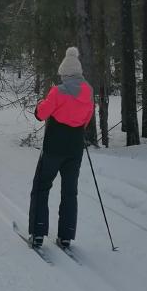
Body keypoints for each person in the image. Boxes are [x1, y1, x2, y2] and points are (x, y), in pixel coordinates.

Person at [28, 46, 94, 249]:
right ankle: (66, 236)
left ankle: (38, 233)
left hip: (54, 147)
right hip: (75, 148)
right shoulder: (88, 92)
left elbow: (41, 114)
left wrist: (40, 103)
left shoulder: (58, 91)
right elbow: (87, 119)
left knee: (41, 187)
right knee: (69, 191)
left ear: (65, 73)